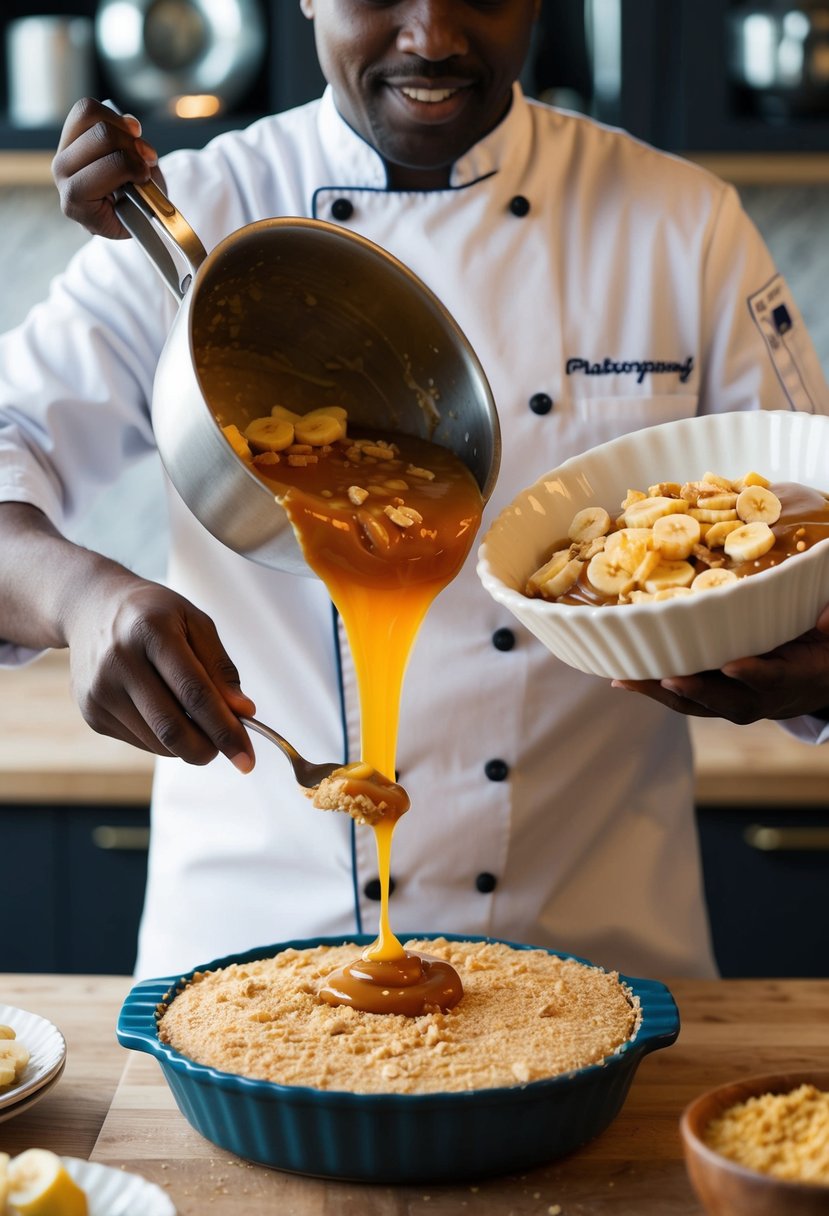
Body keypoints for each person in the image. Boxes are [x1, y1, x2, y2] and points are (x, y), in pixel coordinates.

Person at [2, 0, 828, 982]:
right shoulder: (203, 208)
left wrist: (806, 659)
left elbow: (807, 509)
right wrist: (80, 598)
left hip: (594, 955)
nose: (431, 35)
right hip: (247, 955)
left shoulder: (679, 223)